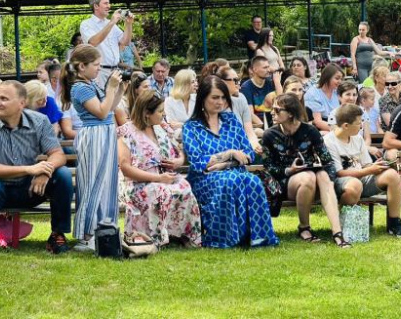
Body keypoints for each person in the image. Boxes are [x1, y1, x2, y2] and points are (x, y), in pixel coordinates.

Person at [0, 80, 73, 255]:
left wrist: (45, 172)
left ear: (22, 103)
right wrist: (29, 169)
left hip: (29, 188)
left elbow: (58, 155)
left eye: (4, 98)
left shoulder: (39, 121)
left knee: (61, 174)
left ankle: (57, 235)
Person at [182, 76, 278, 248]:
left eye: (223, 98)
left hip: (233, 172)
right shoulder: (191, 127)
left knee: (253, 181)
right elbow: (197, 162)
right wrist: (230, 153)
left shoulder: (231, 121)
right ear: (203, 98)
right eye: (215, 97)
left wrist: (224, 164)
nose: (220, 102)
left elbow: (248, 153)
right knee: (231, 180)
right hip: (203, 180)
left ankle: (258, 237)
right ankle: (227, 238)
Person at [262, 94, 351, 247]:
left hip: (314, 182)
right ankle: (304, 227)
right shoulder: (270, 134)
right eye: (272, 109)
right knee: (308, 176)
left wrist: (329, 181)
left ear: (290, 113)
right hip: (285, 182)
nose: (272, 113)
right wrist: (290, 170)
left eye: (277, 110)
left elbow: (327, 161)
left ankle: (337, 233)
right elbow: (269, 168)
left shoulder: (310, 131)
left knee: (322, 174)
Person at [61, 44, 126, 252]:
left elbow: (110, 108)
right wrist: (110, 89)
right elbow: (100, 112)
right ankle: (86, 235)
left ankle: (103, 230)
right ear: (82, 66)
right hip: (94, 136)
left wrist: (118, 89)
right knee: (92, 184)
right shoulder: (80, 87)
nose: (99, 68)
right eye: (96, 64)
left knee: (106, 184)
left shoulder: (90, 84)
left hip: (104, 134)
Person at [117, 90, 202, 249]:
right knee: (160, 191)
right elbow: (126, 168)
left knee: (185, 186)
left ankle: (181, 235)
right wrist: (158, 179)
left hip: (165, 177)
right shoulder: (127, 133)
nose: (163, 115)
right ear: (146, 113)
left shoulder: (161, 128)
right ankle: (156, 238)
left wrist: (178, 161)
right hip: (137, 183)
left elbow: (180, 152)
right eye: (160, 111)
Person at [325, 104, 401, 237]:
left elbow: (366, 164)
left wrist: (376, 166)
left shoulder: (357, 138)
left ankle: (394, 223)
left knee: (392, 175)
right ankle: (342, 222)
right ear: (346, 125)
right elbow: (339, 172)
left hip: (362, 177)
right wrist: (368, 171)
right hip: (341, 182)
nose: (361, 126)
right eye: (359, 123)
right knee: (355, 185)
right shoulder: (329, 141)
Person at [79, 0, 134, 88]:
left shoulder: (110, 23)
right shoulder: (86, 24)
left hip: (116, 71)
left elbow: (125, 42)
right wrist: (112, 22)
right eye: (105, 3)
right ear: (96, 6)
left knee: (116, 102)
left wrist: (129, 24)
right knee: (102, 101)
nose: (109, 6)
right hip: (99, 72)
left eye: (109, 3)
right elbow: (94, 42)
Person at [217, 66, 262, 152]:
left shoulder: (241, 98)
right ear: (222, 82)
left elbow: (249, 130)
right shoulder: (212, 104)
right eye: (235, 80)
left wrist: (254, 144)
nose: (238, 83)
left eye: (238, 80)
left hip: (241, 147)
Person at [304, 63, 344, 132]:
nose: (340, 81)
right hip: (319, 128)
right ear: (327, 77)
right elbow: (318, 122)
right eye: (337, 78)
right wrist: (341, 131)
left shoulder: (337, 91)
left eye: (341, 79)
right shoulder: (313, 94)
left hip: (336, 123)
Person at [241, 56, 275, 130]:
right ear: (255, 69)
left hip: (273, 120)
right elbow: (250, 113)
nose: (268, 70)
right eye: (265, 68)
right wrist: (265, 127)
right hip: (258, 125)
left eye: (268, 67)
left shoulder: (271, 83)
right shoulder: (246, 87)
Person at [164, 68, 197, 133]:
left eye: (196, 81)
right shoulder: (169, 101)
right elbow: (172, 126)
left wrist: (182, 125)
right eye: (193, 82)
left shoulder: (197, 99)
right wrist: (192, 126)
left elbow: (201, 125)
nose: (196, 84)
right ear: (184, 84)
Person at [255, 28, 285, 93]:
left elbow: (280, 61)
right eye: (269, 36)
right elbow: (265, 65)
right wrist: (277, 71)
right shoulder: (260, 51)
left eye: (272, 36)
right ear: (264, 36)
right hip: (269, 77)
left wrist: (282, 68)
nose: (271, 37)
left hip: (279, 73)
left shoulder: (274, 48)